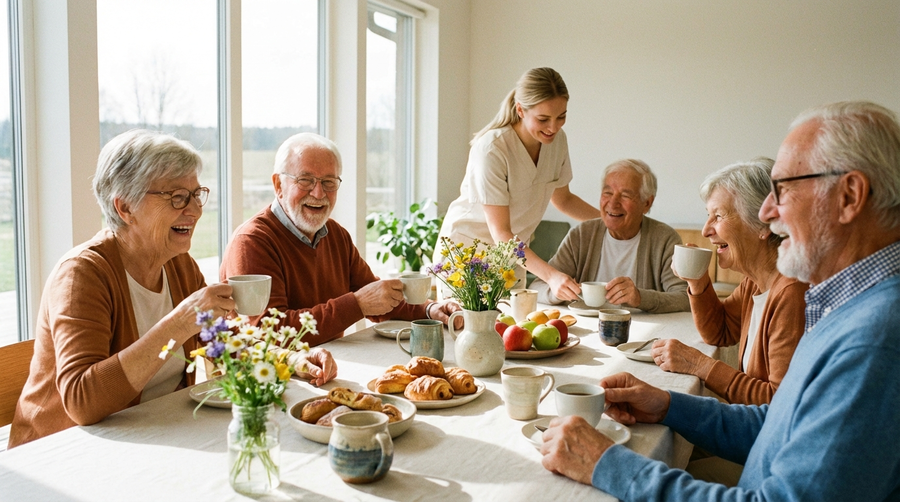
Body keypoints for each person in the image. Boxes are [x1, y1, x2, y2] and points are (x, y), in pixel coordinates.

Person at [540, 101, 900, 500]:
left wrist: (607, 464)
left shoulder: (875, 338)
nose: (767, 212)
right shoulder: (847, 306)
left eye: (782, 189)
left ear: (849, 196)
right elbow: (777, 423)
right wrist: (667, 405)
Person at [8, 130, 334, 449]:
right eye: (177, 197)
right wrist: (179, 323)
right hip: (65, 452)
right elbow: (82, 403)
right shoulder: (82, 273)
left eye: (196, 194)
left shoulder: (178, 264)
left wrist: (294, 359)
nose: (194, 210)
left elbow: (227, 343)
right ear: (125, 208)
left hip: (153, 434)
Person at [220, 133, 460, 345]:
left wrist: (430, 309)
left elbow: (377, 298)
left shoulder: (335, 235)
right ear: (278, 185)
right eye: (305, 180)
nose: (318, 193)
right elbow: (270, 333)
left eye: (329, 182)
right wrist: (357, 304)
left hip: (327, 368)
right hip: (267, 380)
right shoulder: (252, 241)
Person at [435, 67, 603, 300]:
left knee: (515, 331)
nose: (553, 127)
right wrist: (551, 276)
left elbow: (563, 200)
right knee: (470, 331)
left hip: (514, 255)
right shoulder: (492, 149)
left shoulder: (556, 141)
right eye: (543, 119)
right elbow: (500, 231)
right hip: (469, 256)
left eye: (561, 116)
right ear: (521, 110)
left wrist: (610, 225)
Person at [654, 158, 807, 405]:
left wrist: (700, 365)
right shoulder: (756, 281)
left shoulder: (792, 293)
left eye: (718, 216)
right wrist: (697, 280)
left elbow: (778, 403)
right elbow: (720, 331)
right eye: (708, 216)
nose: (705, 230)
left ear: (763, 224)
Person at [531, 159, 689, 313]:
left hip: (646, 331)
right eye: (607, 193)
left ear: (646, 203)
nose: (613, 203)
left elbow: (684, 297)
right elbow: (537, 287)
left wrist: (640, 297)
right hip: (587, 328)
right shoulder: (581, 235)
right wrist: (557, 291)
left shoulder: (665, 239)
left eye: (625, 195)